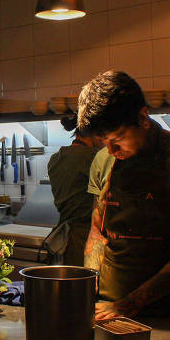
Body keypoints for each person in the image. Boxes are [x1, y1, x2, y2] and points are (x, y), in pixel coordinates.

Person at [78, 71, 170, 319]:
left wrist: (130, 303)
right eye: (104, 141)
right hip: (105, 308)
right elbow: (97, 231)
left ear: (143, 118)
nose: (111, 150)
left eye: (118, 139)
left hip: (165, 310)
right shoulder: (103, 160)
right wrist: (90, 284)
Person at [46, 114, 101, 266]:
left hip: (63, 238)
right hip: (87, 240)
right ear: (94, 133)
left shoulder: (55, 159)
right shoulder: (94, 158)